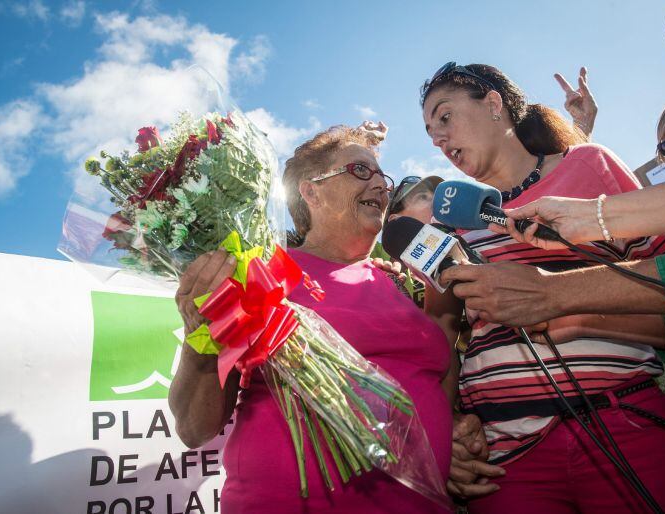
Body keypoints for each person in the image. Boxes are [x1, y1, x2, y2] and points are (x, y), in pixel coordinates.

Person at [421, 61, 665, 512]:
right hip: (505, 459)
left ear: (495, 103)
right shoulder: (448, 222)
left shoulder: (590, 164)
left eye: (445, 117)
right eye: (430, 133)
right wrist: (448, 428)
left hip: (627, 421)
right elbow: (439, 334)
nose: (439, 139)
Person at [168, 125, 503, 513]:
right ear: (310, 191)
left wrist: (452, 433)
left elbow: (434, 378)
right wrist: (202, 335)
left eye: (383, 176)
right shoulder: (260, 274)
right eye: (361, 171)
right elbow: (195, 428)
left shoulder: (400, 282)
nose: (381, 185)